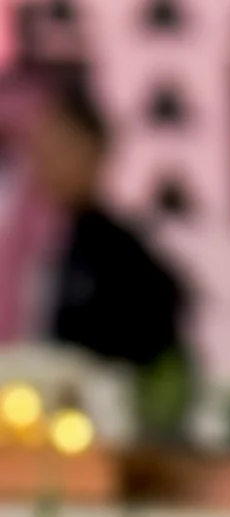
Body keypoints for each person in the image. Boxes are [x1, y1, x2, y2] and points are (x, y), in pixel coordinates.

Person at [0, 66, 189, 377]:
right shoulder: (26, 239)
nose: (44, 161)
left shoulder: (122, 255)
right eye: (39, 148)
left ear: (95, 153)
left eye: (61, 147)